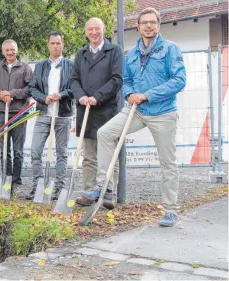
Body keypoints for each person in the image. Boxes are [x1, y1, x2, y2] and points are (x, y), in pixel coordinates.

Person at [78, 7, 186, 227]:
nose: (148, 26)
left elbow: (179, 80)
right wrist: (129, 94)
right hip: (136, 110)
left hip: (162, 112)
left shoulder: (170, 49)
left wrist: (147, 95)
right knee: (105, 133)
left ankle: (170, 210)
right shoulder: (133, 53)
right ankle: (103, 185)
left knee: (168, 162)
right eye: (144, 22)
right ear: (137, 27)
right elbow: (126, 80)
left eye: (152, 22)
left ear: (159, 24)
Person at [70, 18, 124, 206]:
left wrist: (97, 97)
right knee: (89, 156)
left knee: (109, 155)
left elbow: (117, 79)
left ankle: (108, 194)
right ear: (86, 32)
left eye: (97, 29)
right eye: (90, 29)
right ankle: (88, 192)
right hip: (85, 110)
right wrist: (81, 96)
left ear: (104, 30)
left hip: (107, 111)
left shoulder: (114, 51)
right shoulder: (80, 54)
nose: (94, 32)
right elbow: (73, 80)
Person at [26, 31, 75, 201]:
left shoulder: (70, 65)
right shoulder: (40, 66)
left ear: (63, 45)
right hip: (43, 114)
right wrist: (43, 98)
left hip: (63, 115)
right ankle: (38, 186)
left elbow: (75, 87)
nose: (55, 46)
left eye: (58, 43)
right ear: (48, 45)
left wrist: (61, 94)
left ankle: (59, 188)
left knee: (62, 153)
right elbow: (32, 88)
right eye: (52, 43)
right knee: (35, 150)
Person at [0, 39, 32, 192]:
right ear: (3, 52)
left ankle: (16, 181)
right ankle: (6, 179)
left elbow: (30, 89)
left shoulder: (25, 68)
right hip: (2, 113)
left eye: (12, 49)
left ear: (17, 50)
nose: (10, 52)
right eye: (7, 50)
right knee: (4, 148)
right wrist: (2, 94)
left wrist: (12, 94)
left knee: (18, 150)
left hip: (19, 113)